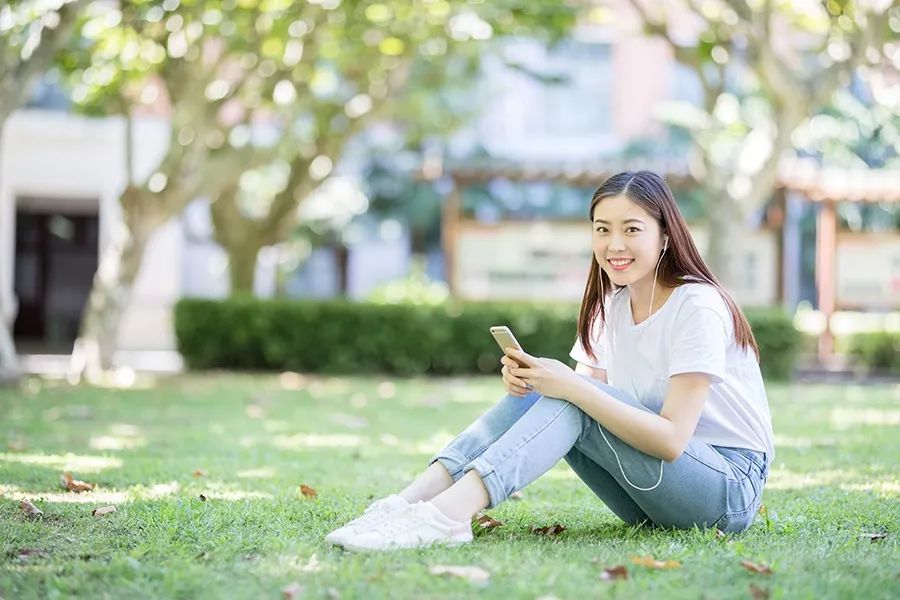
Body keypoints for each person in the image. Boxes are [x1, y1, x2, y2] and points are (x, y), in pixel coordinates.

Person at [325, 170, 774, 552]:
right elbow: (572, 406)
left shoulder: (696, 305)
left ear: (665, 236)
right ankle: (408, 503)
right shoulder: (613, 305)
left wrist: (567, 387)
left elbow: (673, 439)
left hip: (726, 490)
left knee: (572, 394)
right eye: (602, 229)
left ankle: (448, 517)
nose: (614, 243)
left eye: (632, 229)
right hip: (656, 495)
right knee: (555, 395)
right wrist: (533, 383)